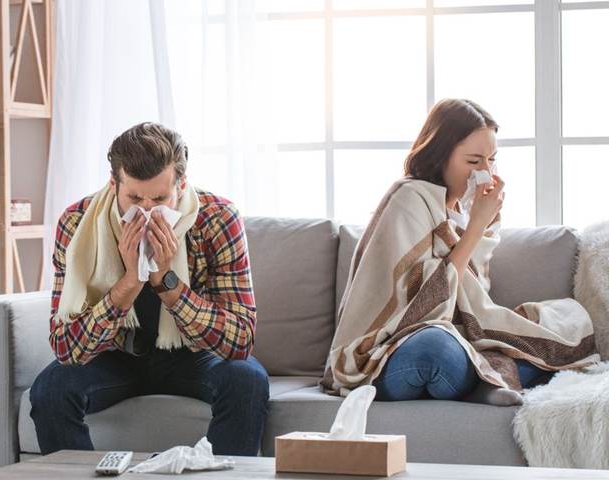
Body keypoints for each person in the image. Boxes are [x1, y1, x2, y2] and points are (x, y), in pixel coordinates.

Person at [320, 99, 599, 403]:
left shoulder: (470, 212)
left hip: (457, 334)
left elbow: (470, 300)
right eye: (473, 161)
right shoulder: (410, 198)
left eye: (492, 160)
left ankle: (487, 378)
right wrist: (477, 225)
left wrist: (480, 221)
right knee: (434, 348)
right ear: (440, 157)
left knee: (565, 317)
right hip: (387, 350)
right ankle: (489, 379)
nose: (485, 172)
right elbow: (417, 305)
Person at [30, 122, 269, 455]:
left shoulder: (218, 218)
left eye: (159, 198)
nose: (145, 211)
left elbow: (240, 339)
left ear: (181, 185)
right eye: (133, 198)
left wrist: (165, 281)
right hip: (114, 356)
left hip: (193, 356)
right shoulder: (77, 222)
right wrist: (128, 283)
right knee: (51, 389)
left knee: (247, 380)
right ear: (114, 184)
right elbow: (66, 347)